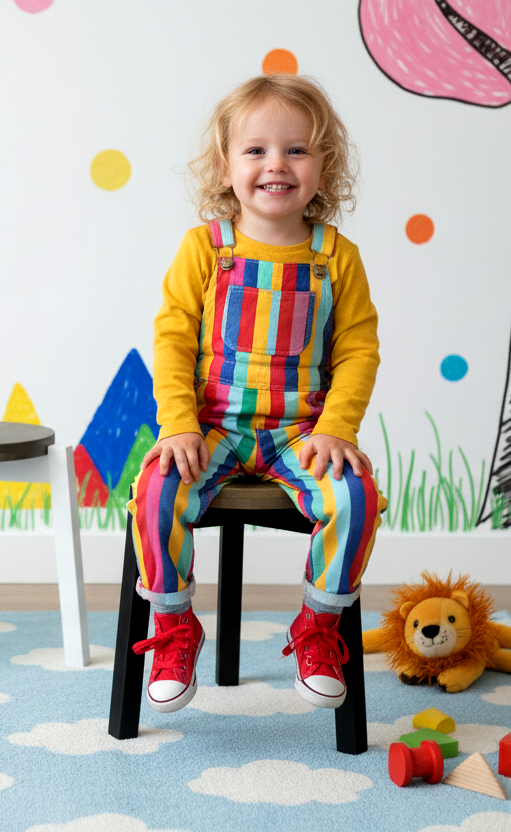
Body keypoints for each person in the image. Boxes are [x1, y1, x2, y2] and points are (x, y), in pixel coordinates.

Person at [128, 74, 385, 714]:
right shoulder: (205, 249)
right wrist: (178, 424)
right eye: (256, 150)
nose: (277, 164)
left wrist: (338, 429)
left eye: (297, 149)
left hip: (301, 433)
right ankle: (173, 627)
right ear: (225, 167)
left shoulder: (336, 257)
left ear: (325, 165)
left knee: (355, 495)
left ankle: (319, 625)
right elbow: (172, 341)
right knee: (156, 489)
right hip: (212, 428)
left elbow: (358, 350)